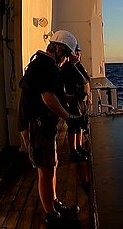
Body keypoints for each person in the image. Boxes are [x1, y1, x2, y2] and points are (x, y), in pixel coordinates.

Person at [18, 30, 81, 226]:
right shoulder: (46, 66)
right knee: (45, 169)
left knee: (50, 164)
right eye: (68, 55)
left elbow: (50, 94)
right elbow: (48, 98)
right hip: (37, 125)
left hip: (41, 124)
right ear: (60, 50)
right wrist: (69, 117)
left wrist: (68, 101)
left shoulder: (43, 64)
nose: (66, 61)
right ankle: (50, 215)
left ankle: (53, 203)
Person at [61, 44, 91, 162]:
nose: (78, 55)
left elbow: (87, 80)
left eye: (79, 53)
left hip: (80, 101)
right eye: (76, 53)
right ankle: (73, 151)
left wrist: (88, 97)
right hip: (72, 101)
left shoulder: (78, 66)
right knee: (73, 126)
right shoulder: (67, 67)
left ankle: (79, 147)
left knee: (80, 125)